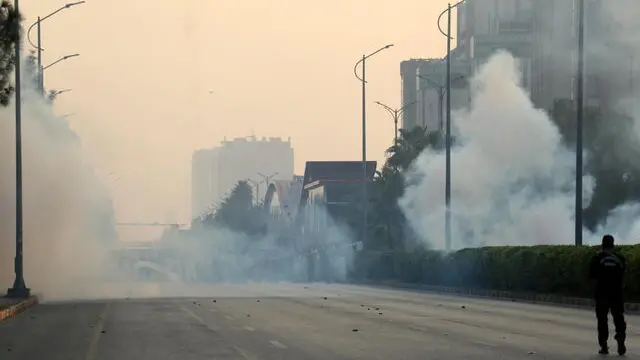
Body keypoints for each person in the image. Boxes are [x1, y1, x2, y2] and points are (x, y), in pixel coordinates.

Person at [589, 234, 627, 355]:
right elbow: (623, 274)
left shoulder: (597, 258)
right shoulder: (620, 258)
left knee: (602, 319)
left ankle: (604, 345)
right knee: (618, 316)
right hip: (616, 293)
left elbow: (592, 276)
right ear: (613, 244)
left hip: (602, 293)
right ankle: (620, 336)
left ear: (602, 244)